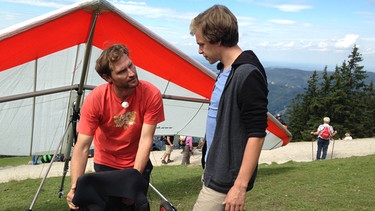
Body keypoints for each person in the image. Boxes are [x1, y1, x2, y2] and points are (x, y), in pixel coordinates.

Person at [66, 44, 165, 210]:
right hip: (106, 165)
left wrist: (133, 180)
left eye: (130, 65)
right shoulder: (96, 99)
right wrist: (75, 187)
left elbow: (146, 139)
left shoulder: (151, 94)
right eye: (122, 71)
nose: (132, 73)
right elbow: (82, 147)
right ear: (107, 78)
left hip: (136, 164)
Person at [189, 5, 268, 211]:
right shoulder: (226, 69)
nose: (199, 50)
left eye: (202, 44)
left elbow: (257, 134)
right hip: (215, 169)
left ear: (218, 40)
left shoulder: (247, 74)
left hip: (226, 178)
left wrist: (239, 186)